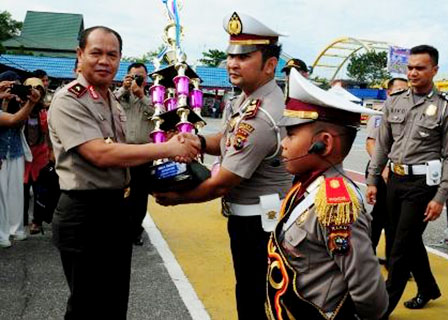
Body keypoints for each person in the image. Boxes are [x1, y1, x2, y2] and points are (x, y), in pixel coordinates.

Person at [48, 26, 200, 319]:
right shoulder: (69, 99)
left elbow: (124, 148)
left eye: (112, 54)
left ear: (119, 59)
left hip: (116, 209)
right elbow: (101, 154)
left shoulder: (110, 98)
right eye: (96, 53)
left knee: (114, 304)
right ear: (79, 56)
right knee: (88, 307)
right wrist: (165, 149)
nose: (104, 60)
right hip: (85, 214)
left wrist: (167, 146)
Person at [154, 12, 293, 319]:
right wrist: (200, 143)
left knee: (255, 294)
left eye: (244, 57)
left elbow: (223, 182)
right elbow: (227, 138)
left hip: (259, 222)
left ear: (269, 65)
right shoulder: (245, 99)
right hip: (249, 215)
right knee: (250, 287)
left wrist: (177, 199)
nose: (232, 63)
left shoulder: (262, 114)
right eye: (231, 55)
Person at [265, 68, 387, 320]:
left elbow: (371, 297)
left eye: (292, 134)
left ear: (324, 143)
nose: (284, 144)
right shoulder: (305, 185)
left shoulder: (336, 204)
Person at [366, 45, 448, 317]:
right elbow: (383, 145)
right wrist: (373, 180)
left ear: (435, 70)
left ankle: (381, 307)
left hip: (422, 186)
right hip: (394, 181)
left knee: (398, 249)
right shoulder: (395, 100)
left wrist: (440, 198)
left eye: (420, 67)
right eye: (410, 67)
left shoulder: (447, 108)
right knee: (405, 239)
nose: (413, 72)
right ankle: (428, 287)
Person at [365, 76, 408, 265]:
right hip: (381, 170)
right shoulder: (379, 114)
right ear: (389, 92)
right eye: (399, 90)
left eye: (406, 90)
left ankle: (393, 260)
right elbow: (371, 143)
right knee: (379, 216)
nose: (403, 94)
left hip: (398, 172)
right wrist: (382, 169)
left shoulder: (409, 112)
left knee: (395, 219)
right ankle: (367, 256)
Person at [114, 62, 154, 246]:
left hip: (143, 152)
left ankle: (136, 229)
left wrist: (141, 96)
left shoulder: (154, 97)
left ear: (146, 78)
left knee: (140, 195)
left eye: (141, 76)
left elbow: (157, 114)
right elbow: (109, 105)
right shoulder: (120, 96)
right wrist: (124, 88)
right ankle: (120, 228)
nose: (137, 79)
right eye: (133, 76)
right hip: (121, 152)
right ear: (127, 77)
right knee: (119, 193)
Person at [0, 72, 41, 248]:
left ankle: (15, 229)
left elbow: (19, 122)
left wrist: (23, 103)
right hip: (1, 153)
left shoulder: (16, 103)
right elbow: (12, 120)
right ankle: (2, 233)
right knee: (1, 195)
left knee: (15, 192)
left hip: (15, 150)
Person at [21, 78, 51, 235]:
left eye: (38, 88)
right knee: (22, 189)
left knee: (41, 190)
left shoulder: (46, 111)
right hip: (22, 156)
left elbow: (50, 134)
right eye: (30, 88)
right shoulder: (19, 110)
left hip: (41, 155)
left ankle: (37, 222)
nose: (34, 92)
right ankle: (21, 220)